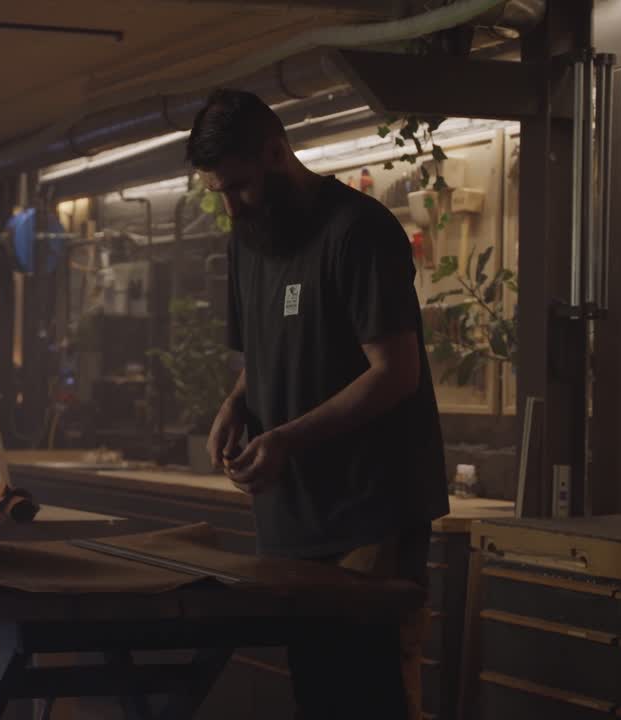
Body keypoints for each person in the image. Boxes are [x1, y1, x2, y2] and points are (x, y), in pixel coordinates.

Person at [189, 89, 449, 719]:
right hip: (293, 520)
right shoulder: (247, 242)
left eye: (240, 186)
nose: (230, 205)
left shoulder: (357, 231)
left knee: (368, 693)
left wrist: (284, 440)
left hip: (368, 513)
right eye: (219, 192)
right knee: (319, 694)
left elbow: (396, 373)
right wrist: (235, 404)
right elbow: (266, 353)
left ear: (277, 152)